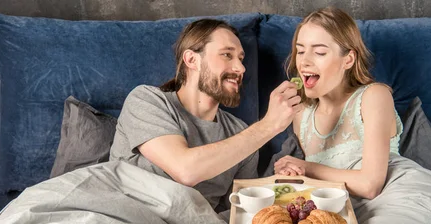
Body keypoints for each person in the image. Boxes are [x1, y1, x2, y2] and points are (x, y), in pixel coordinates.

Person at [110, 18, 303, 212]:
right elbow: (185, 170)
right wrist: (269, 125)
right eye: (227, 55)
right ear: (192, 59)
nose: (241, 68)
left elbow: (241, 210)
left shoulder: (241, 134)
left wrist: (279, 182)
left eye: (241, 59)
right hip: (125, 221)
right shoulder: (147, 101)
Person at [274, 7, 403, 200]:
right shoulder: (301, 114)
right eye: (300, 51)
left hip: (389, 199)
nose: (304, 62)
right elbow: (315, 183)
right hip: (335, 203)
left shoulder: (374, 96)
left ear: (348, 60)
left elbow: (370, 186)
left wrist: (307, 168)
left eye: (319, 52)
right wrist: (290, 170)